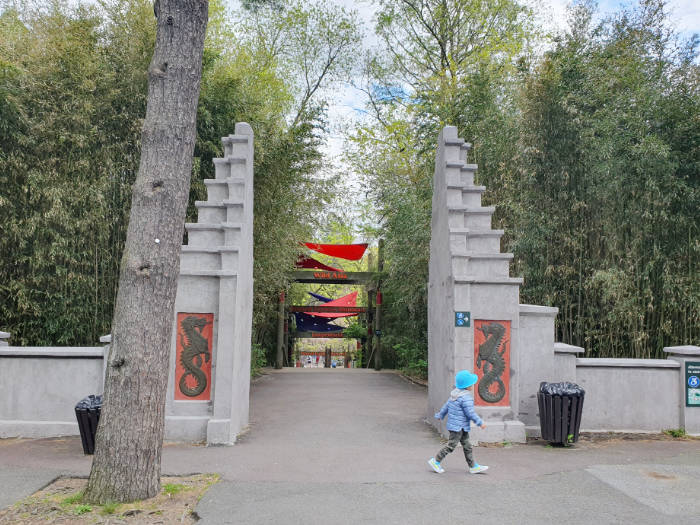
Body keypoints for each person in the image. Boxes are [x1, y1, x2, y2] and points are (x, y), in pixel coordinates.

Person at [428, 370, 488, 474]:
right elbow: (470, 413)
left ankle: (473, 466)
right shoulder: (466, 398)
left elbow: (446, 406)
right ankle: (436, 461)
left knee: (467, 446)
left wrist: (440, 415)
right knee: (451, 446)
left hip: (460, 427)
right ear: (468, 386)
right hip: (458, 428)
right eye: (472, 384)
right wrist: (480, 422)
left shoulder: (454, 394)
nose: (473, 386)